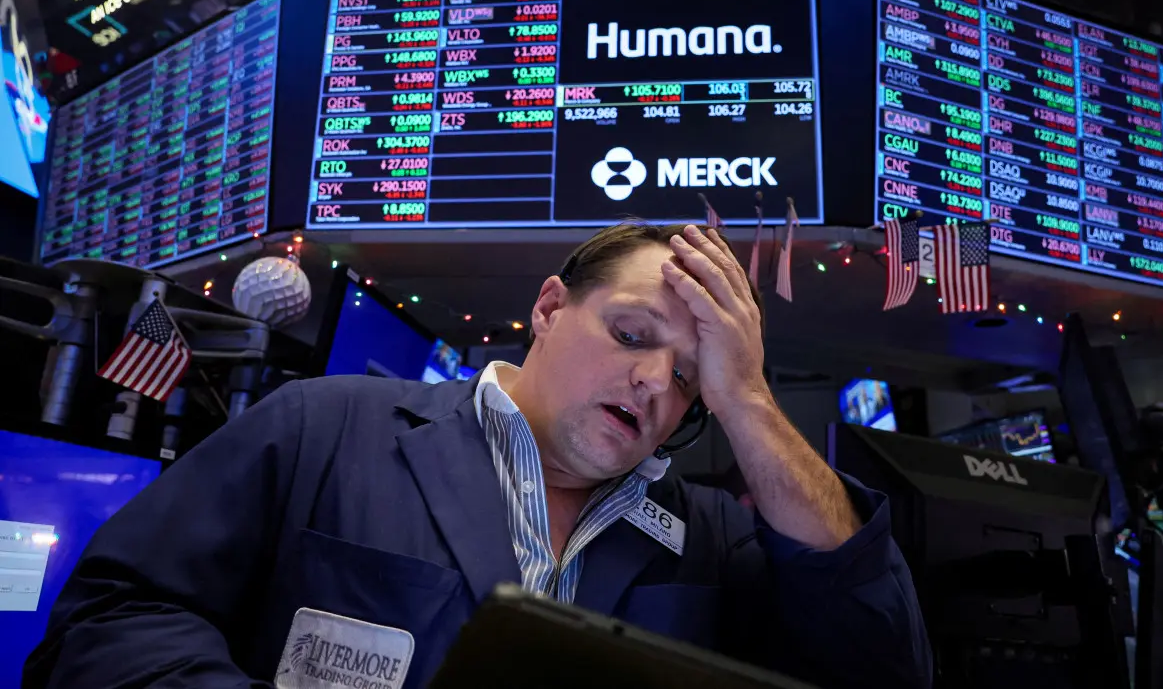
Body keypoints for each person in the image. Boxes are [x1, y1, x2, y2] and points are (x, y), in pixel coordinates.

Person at [24, 223, 931, 689]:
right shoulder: (325, 426)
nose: (655, 380)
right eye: (629, 333)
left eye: (691, 378)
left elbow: (878, 668)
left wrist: (750, 397)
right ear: (546, 309)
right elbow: (104, 624)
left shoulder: (709, 540)